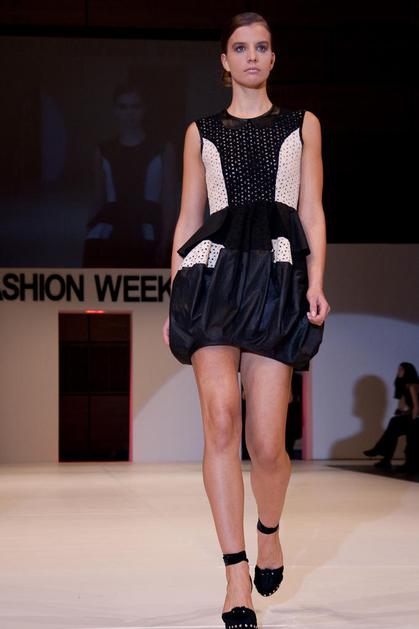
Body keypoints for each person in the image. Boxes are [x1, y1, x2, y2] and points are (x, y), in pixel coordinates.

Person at [162, 12, 330, 629]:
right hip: (210, 277)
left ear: (273, 58)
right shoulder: (200, 131)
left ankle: (269, 531)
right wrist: (174, 293)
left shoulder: (302, 124)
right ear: (225, 61)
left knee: (266, 442)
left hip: (275, 278)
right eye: (240, 47)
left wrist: (316, 281)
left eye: (262, 46)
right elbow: (189, 217)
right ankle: (236, 576)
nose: (252, 55)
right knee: (220, 420)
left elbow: (311, 209)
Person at [83, 81, 176, 268]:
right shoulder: (103, 151)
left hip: (148, 226)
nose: (130, 113)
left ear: (143, 110)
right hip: (112, 226)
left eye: (135, 106)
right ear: (115, 111)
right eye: (123, 107)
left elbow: (168, 199)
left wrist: (167, 238)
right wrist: (90, 230)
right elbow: (98, 197)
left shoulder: (162, 149)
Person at [364, 362, 419, 472]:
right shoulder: (408, 386)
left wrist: (413, 422)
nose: (398, 372)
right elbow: (412, 407)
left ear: (407, 372)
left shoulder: (412, 386)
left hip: (416, 420)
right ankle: (385, 459)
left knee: (394, 424)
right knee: (393, 430)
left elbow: (417, 407)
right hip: (413, 417)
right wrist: (403, 412)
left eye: (401, 370)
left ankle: (381, 453)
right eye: (398, 369)